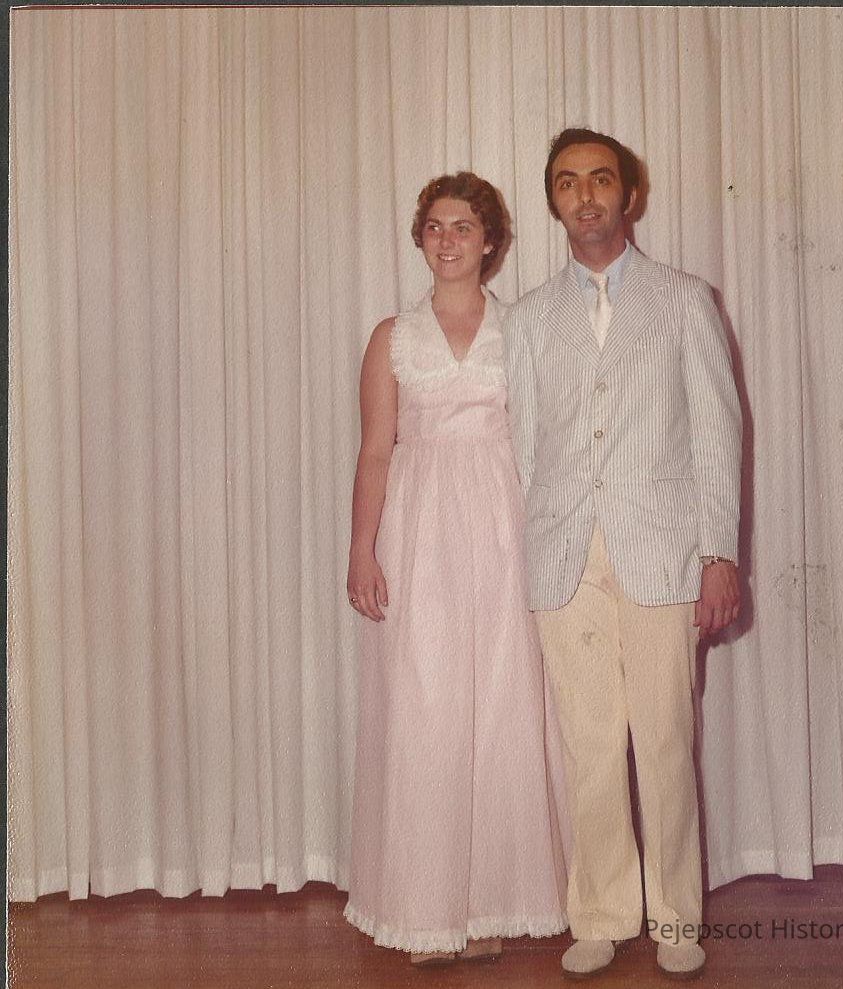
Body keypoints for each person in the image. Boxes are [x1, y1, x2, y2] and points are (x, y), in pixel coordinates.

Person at [504, 128, 742, 980]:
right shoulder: (529, 318)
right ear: (554, 201)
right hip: (566, 555)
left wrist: (718, 552)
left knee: (666, 736)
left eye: (601, 179)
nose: (586, 196)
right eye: (568, 183)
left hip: (663, 551)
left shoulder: (685, 300)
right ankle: (601, 912)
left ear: (629, 195)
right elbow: (526, 447)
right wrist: (545, 537)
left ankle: (677, 916)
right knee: (591, 743)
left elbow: (718, 432)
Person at [344, 172, 568, 965]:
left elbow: (543, 444)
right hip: (420, 531)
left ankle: (488, 904)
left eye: (464, 226)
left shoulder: (522, 329)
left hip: (504, 524)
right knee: (427, 706)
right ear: (420, 238)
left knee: (504, 705)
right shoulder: (392, 337)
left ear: (491, 241)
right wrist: (362, 548)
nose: (448, 240)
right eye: (435, 226)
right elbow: (376, 450)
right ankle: (424, 906)